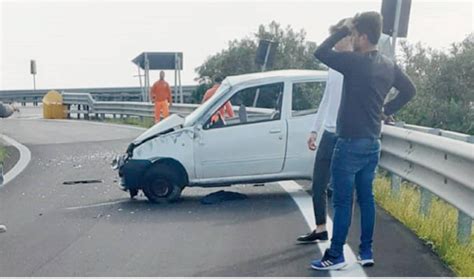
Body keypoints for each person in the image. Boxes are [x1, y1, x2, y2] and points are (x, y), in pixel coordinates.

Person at [311, 12, 416, 270]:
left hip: (348, 143)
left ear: (364, 36)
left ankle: (335, 255)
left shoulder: (354, 62)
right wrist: (387, 109)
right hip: (372, 141)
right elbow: (410, 90)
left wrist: (341, 29)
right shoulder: (388, 65)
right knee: (366, 198)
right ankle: (366, 251)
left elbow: (320, 52)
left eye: (355, 34)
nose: (352, 38)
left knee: (343, 201)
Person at [297, 19, 353, 243]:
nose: (334, 44)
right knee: (318, 183)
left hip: (345, 135)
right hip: (328, 134)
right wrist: (314, 129)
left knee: (342, 189)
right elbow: (326, 100)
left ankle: (341, 236)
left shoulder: (353, 65)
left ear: (347, 39)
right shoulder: (333, 67)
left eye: (337, 38)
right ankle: (321, 228)